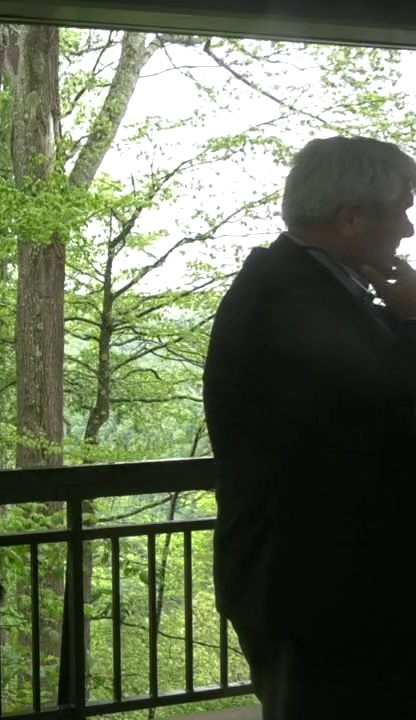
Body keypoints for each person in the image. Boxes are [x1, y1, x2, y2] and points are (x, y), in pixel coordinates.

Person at [202, 135, 416, 719]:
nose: (407, 229)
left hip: (326, 593)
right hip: (318, 599)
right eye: (402, 208)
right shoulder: (289, 303)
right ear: (351, 219)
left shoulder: (310, 292)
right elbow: (392, 412)